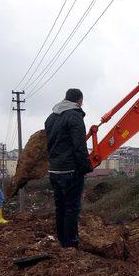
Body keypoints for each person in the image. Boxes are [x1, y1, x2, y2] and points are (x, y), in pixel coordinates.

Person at [45, 88, 93, 248]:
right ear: (79, 101)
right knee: (72, 207)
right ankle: (71, 244)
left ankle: (62, 240)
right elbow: (79, 145)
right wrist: (85, 166)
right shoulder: (75, 116)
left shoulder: (51, 118)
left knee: (60, 207)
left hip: (54, 170)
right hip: (70, 170)